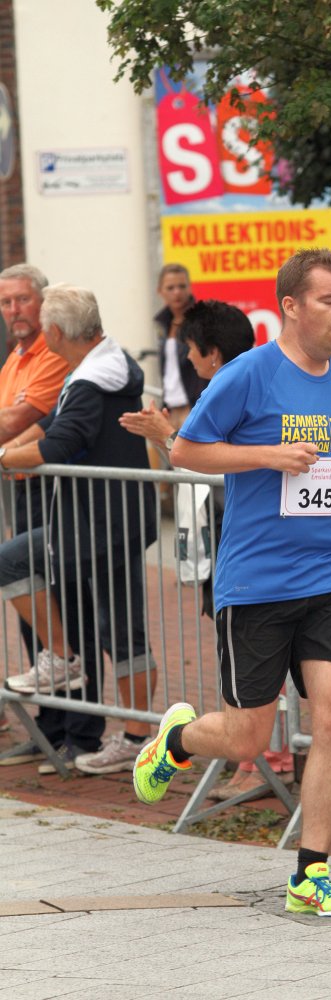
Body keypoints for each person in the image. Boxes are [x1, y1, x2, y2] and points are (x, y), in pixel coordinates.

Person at [132, 247, 331, 918]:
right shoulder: (247, 374)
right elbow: (185, 449)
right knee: (249, 739)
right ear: (290, 306)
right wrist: (267, 455)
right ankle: (177, 739)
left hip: (330, 569)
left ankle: (311, 875)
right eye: (328, 300)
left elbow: (328, 460)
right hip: (256, 580)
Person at [120, 299, 292, 794]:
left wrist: (168, 436)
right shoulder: (236, 386)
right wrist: (170, 438)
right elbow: (208, 460)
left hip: (242, 548)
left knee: (261, 669)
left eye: (192, 351)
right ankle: (255, 760)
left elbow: (221, 466)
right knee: (251, 669)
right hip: (233, 547)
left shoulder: (237, 390)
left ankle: (261, 762)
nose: (189, 360)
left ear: (212, 353)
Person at [0, 284, 158, 773]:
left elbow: (58, 444)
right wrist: (11, 452)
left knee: (121, 629)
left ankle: (128, 727)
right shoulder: (99, 366)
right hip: (102, 517)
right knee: (119, 628)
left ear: (54, 332)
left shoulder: (92, 379)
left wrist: (4, 458)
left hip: (103, 520)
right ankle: (73, 670)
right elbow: (53, 424)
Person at [0, 264, 103, 765]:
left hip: (52, 490)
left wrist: (7, 442)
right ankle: (50, 725)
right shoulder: (15, 358)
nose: (14, 311)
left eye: (22, 300)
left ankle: (81, 734)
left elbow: (18, 420)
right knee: (34, 611)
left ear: (43, 305)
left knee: (68, 606)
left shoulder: (52, 354)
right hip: (22, 489)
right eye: (6, 303)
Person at [155, 264, 207, 431]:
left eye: (182, 286)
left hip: (193, 407)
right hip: (170, 408)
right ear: (160, 291)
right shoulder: (163, 323)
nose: (177, 292)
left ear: (190, 288)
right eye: (170, 288)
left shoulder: (199, 320)